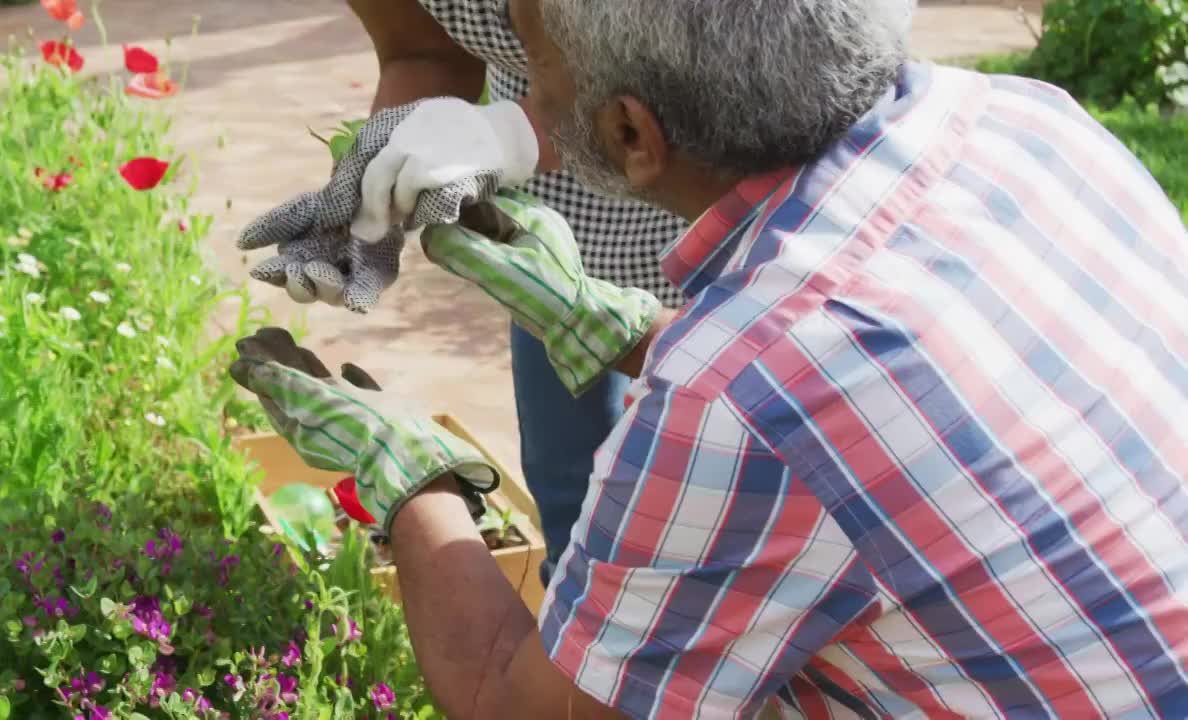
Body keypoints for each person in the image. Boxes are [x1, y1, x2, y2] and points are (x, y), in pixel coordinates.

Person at [231, 0, 1188, 717]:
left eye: (542, 82)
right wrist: (607, 321)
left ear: (631, 135)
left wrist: (407, 476)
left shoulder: (734, 398)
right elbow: (857, 415)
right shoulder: (1027, 119)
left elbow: (512, 700)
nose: (527, 98)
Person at [243, 0, 692, 586]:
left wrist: (510, 132)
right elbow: (421, 51)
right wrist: (379, 189)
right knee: (572, 500)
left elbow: (684, 58)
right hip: (552, 238)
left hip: (710, 179)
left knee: (710, 495)